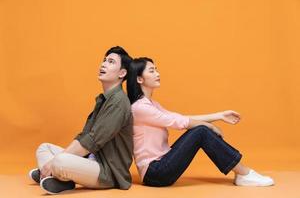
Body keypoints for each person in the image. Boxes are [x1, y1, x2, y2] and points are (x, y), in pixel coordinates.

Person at [126, 57, 274, 187]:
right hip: (155, 173)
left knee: (200, 130)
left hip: (161, 165)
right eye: (152, 71)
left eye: (156, 69)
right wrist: (209, 126)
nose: (157, 74)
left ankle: (242, 173)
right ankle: (244, 173)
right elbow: (179, 123)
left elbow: (181, 117)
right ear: (140, 79)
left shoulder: (151, 104)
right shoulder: (140, 108)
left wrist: (220, 115)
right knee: (201, 131)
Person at [28, 46, 134, 194]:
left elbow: (93, 140)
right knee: (44, 148)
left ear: (122, 73)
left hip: (107, 172)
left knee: (60, 161)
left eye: (111, 62)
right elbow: (84, 135)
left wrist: (56, 160)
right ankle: (60, 178)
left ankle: (55, 173)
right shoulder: (104, 100)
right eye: (104, 60)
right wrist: (62, 155)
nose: (103, 64)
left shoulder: (119, 102)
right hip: (90, 160)